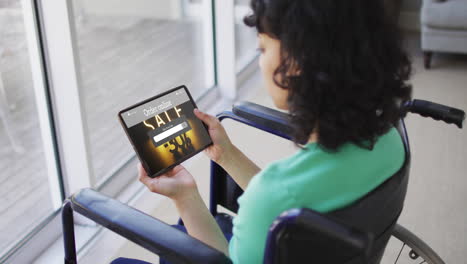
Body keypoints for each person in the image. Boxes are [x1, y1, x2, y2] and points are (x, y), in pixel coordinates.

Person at [115, 0, 412, 263]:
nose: (259, 60)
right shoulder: (390, 140)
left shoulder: (270, 197)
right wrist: (227, 155)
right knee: (179, 232)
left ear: (295, 61)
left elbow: (261, 215)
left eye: (263, 48)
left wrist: (184, 196)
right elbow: (289, 201)